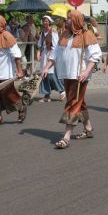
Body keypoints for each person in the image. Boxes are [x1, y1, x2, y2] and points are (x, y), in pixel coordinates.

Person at [42, 11, 102, 149]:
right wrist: (46, 67)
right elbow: (55, 53)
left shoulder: (87, 35)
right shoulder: (64, 34)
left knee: (73, 102)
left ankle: (66, 137)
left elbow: (95, 55)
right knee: (79, 102)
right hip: (66, 75)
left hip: (79, 76)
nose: (66, 20)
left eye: (69, 18)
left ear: (75, 20)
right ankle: (88, 129)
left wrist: (87, 71)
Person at [0, 14, 25, 126]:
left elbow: (17, 55)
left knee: (9, 94)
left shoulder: (7, 36)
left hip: (5, 73)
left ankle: (21, 108)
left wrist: (19, 70)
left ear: (1, 23)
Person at [37, 15, 65, 102]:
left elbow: (56, 45)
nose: (45, 22)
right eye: (44, 21)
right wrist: (38, 53)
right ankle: (47, 96)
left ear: (49, 22)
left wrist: (51, 55)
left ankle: (62, 90)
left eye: (46, 21)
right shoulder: (42, 33)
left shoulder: (53, 31)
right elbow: (40, 45)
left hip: (51, 54)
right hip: (44, 55)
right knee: (44, 75)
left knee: (51, 75)